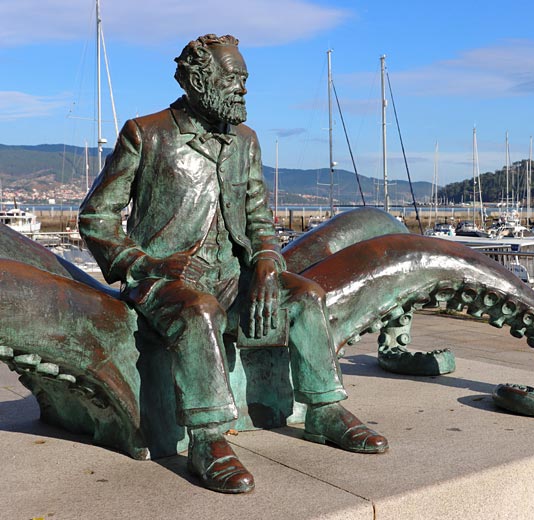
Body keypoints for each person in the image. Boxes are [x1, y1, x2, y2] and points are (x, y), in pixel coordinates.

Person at [79, 34, 388, 494]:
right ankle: (208, 438)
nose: (242, 90)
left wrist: (266, 262)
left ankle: (324, 408)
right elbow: (96, 217)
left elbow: (261, 218)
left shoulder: (246, 140)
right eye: (232, 79)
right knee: (199, 311)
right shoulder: (145, 133)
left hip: (232, 274)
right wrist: (143, 264)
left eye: (244, 80)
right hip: (166, 280)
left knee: (305, 296)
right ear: (197, 80)